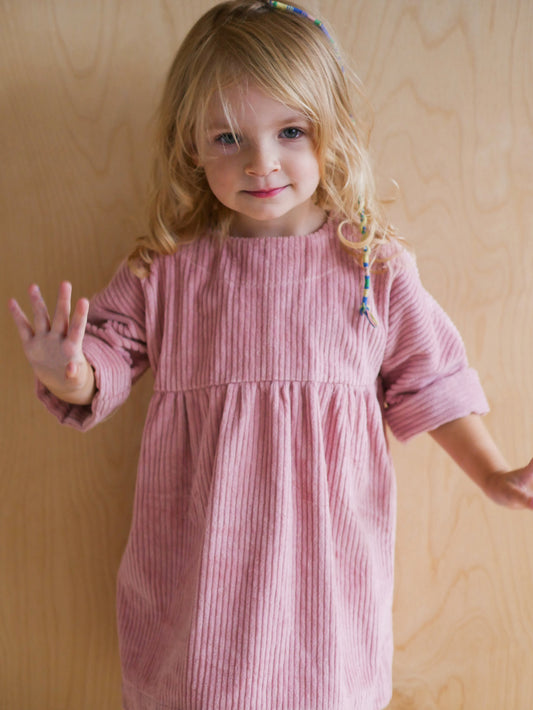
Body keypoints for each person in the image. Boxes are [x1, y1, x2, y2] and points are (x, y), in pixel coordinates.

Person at [8, 1, 533, 708]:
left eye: (290, 131)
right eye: (227, 137)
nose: (261, 162)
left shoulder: (371, 270)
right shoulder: (172, 271)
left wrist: (494, 475)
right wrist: (69, 371)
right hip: (202, 581)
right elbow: (108, 350)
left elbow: (429, 380)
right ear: (190, 145)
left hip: (323, 577)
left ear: (330, 129)